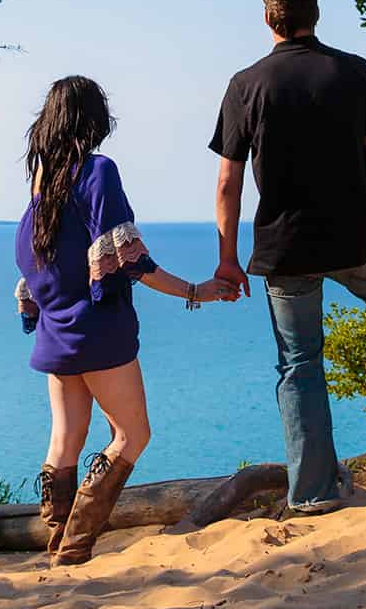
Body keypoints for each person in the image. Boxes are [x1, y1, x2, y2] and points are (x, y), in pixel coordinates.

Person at [209, 0, 366, 514]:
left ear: (268, 17)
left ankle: (315, 491)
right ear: (316, 13)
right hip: (355, 233)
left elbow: (228, 181)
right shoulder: (355, 71)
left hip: (285, 244)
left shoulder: (246, 84)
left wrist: (228, 260)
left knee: (299, 361)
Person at [14, 75, 235, 566]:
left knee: (65, 439)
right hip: (100, 331)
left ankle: (58, 544)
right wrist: (196, 291)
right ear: (93, 120)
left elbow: (37, 267)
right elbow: (132, 261)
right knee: (133, 435)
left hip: (55, 333)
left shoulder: (41, 182)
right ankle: (75, 545)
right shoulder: (98, 172)